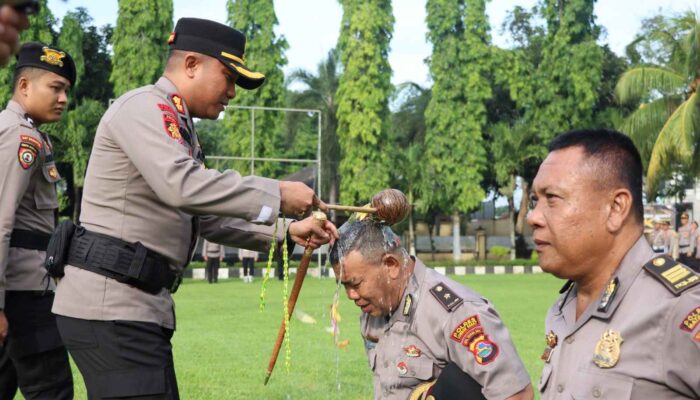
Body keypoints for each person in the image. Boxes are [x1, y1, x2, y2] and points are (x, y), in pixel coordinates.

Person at [51, 18, 337, 399]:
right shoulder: (144, 107)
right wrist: (278, 194)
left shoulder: (178, 126)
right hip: (112, 308)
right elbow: (182, 185)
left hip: (133, 307)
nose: (233, 92)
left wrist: (286, 232)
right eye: (228, 77)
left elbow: (203, 217)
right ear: (190, 65)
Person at [527, 128, 700, 399]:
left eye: (552, 199)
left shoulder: (677, 310)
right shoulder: (563, 309)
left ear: (616, 208)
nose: (533, 217)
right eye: (535, 201)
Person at [330, 220, 534, 400]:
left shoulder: (455, 313)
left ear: (390, 265)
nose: (351, 295)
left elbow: (516, 394)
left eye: (355, 284)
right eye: (344, 286)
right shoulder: (374, 307)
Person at [0, 42, 75, 399]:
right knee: (52, 389)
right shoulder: (20, 137)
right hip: (23, 293)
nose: (63, 98)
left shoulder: (21, 131)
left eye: (66, 91)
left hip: (20, 287)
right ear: (25, 86)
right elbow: (1, 222)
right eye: (55, 88)